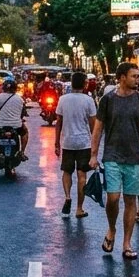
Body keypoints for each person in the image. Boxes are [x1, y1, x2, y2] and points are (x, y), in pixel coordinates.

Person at [90, 62, 139, 260]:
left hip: (135, 157)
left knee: (130, 200)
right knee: (112, 197)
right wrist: (93, 154)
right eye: (134, 76)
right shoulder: (108, 100)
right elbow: (98, 128)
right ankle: (112, 229)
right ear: (121, 78)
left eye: (138, 76)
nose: (138, 79)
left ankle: (126, 243)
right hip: (112, 155)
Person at [54, 71, 97, 217]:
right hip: (83, 142)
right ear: (84, 84)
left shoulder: (63, 99)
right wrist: (95, 147)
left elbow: (58, 122)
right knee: (81, 175)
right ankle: (79, 208)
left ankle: (67, 196)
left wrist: (56, 143)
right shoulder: (88, 100)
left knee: (67, 172)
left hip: (68, 142)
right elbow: (93, 125)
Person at [0, 79, 29, 160]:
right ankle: (22, 152)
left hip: (0, 125)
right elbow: (23, 113)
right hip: (16, 126)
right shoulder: (19, 99)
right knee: (25, 133)